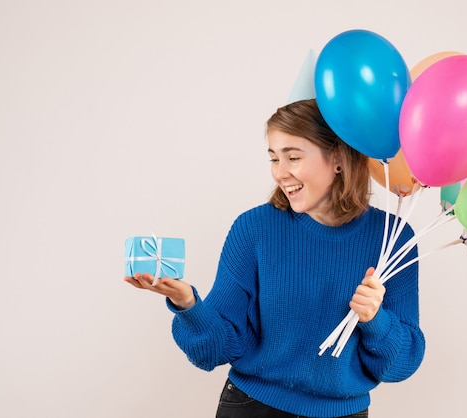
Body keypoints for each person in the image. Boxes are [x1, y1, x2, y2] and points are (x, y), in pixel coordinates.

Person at [125, 99, 425, 418]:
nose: (280, 173)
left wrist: (375, 320)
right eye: (273, 158)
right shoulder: (255, 229)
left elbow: (401, 364)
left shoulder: (393, 239)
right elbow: (216, 349)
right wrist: (188, 304)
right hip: (253, 408)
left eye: (293, 157)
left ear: (337, 158)